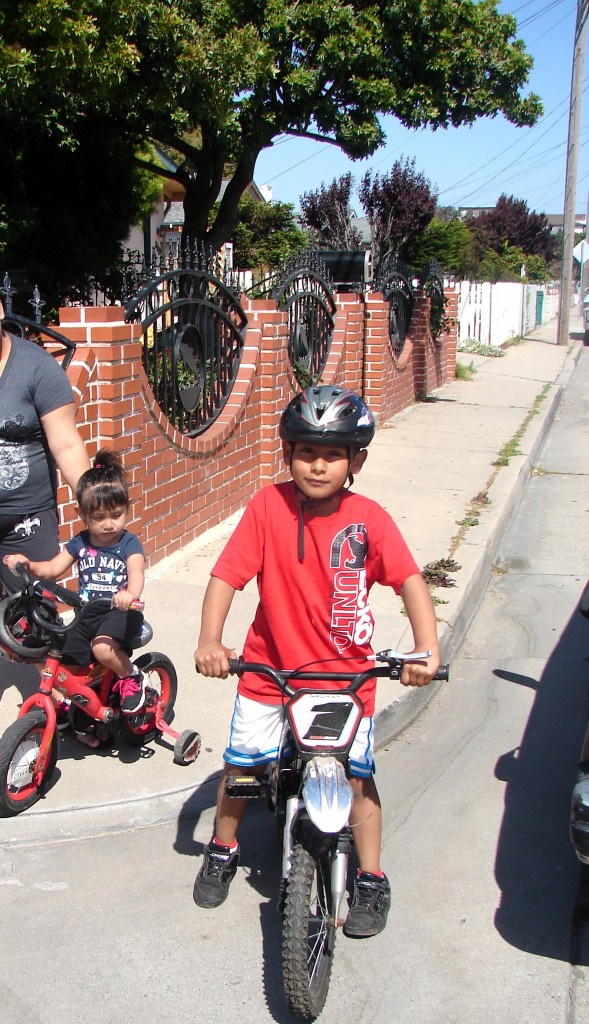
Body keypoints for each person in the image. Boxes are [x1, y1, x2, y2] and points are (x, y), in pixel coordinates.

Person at [192, 384, 441, 938]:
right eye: (306, 451)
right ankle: (223, 846)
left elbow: (410, 581)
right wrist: (211, 640)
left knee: (357, 782)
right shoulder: (267, 506)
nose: (318, 465)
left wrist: (426, 650)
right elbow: (226, 577)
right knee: (242, 770)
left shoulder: (369, 519)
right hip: (269, 672)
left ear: (357, 461)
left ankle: (371, 877)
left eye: (333, 454)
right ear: (288, 453)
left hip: (346, 680)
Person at [3, 449, 147, 742]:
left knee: (102, 649)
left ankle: (132, 677)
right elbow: (53, 567)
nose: (109, 524)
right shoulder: (80, 542)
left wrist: (129, 594)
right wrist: (28, 565)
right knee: (63, 668)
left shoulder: (128, 543)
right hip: (88, 614)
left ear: (127, 509)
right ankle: (81, 710)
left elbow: (137, 571)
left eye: (116, 515)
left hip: (121, 613)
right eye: (99, 517)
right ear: (82, 515)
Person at [0, 299, 91, 597]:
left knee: (35, 615)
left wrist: (94, 506)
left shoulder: (36, 366)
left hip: (26, 521)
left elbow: (66, 444)